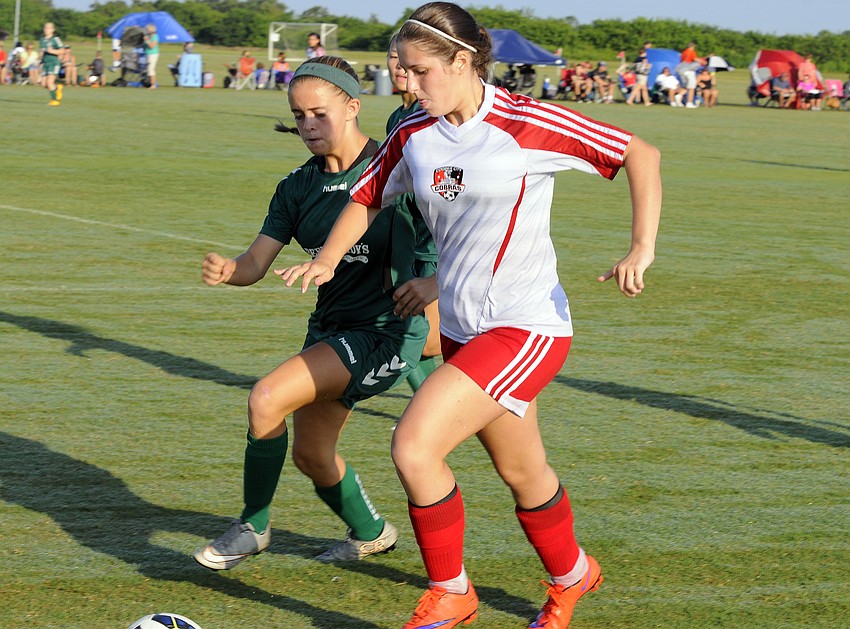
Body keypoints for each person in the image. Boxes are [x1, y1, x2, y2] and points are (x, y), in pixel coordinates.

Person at [280, 3, 662, 628]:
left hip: (527, 326)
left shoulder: (528, 122)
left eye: (418, 69)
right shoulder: (412, 133)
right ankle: (574, 575)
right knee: (521, 469)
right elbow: (369, 194)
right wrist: (326, 260)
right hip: (462, 328)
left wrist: (640, 247)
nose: (405, 82)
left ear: (463, 61)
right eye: (399, 69)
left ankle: (452, 593)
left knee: (414, 445)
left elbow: (638, 154)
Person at [193, 55, 433, 572]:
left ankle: (253, 525)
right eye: (299, 115)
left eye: (319, 113)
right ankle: (372, 533)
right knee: (312, 456)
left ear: (352, 106)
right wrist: (227, 269)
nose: (307, 126)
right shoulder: (296, 187)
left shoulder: (399, 168)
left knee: (266, 398)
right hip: (331, 329)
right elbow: (255, 263)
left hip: (385, 330)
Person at [385, 34, 442, 391]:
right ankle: (438, 409)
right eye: (392, 57)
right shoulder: (399, 115)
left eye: (404, 59)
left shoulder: (432, 113)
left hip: (435, 241)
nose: (398, 66)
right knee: (411, 330)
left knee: (422, 338)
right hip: (407, 238)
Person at [39, 25, 63, 106]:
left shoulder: (55, 39)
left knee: (50, 82)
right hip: (45, 63)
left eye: (48, 28)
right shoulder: (42, 39)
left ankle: (55, 100)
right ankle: (57, 88)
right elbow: (42, 51)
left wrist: (52, 51)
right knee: (44, 84)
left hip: (53, 63)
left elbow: (62, 50)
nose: (46, 30)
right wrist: (40, 59)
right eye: (45, 28)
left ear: (53, 30)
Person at [143, 23, 159, 88]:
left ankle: (153, 84)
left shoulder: (155, 36)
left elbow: (152, 46)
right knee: (147, 69)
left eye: (147, 29)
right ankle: (148, 83)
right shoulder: (148, 36)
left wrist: (146, 40)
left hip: (153, 54)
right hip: (147, 53)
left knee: (151, 69)